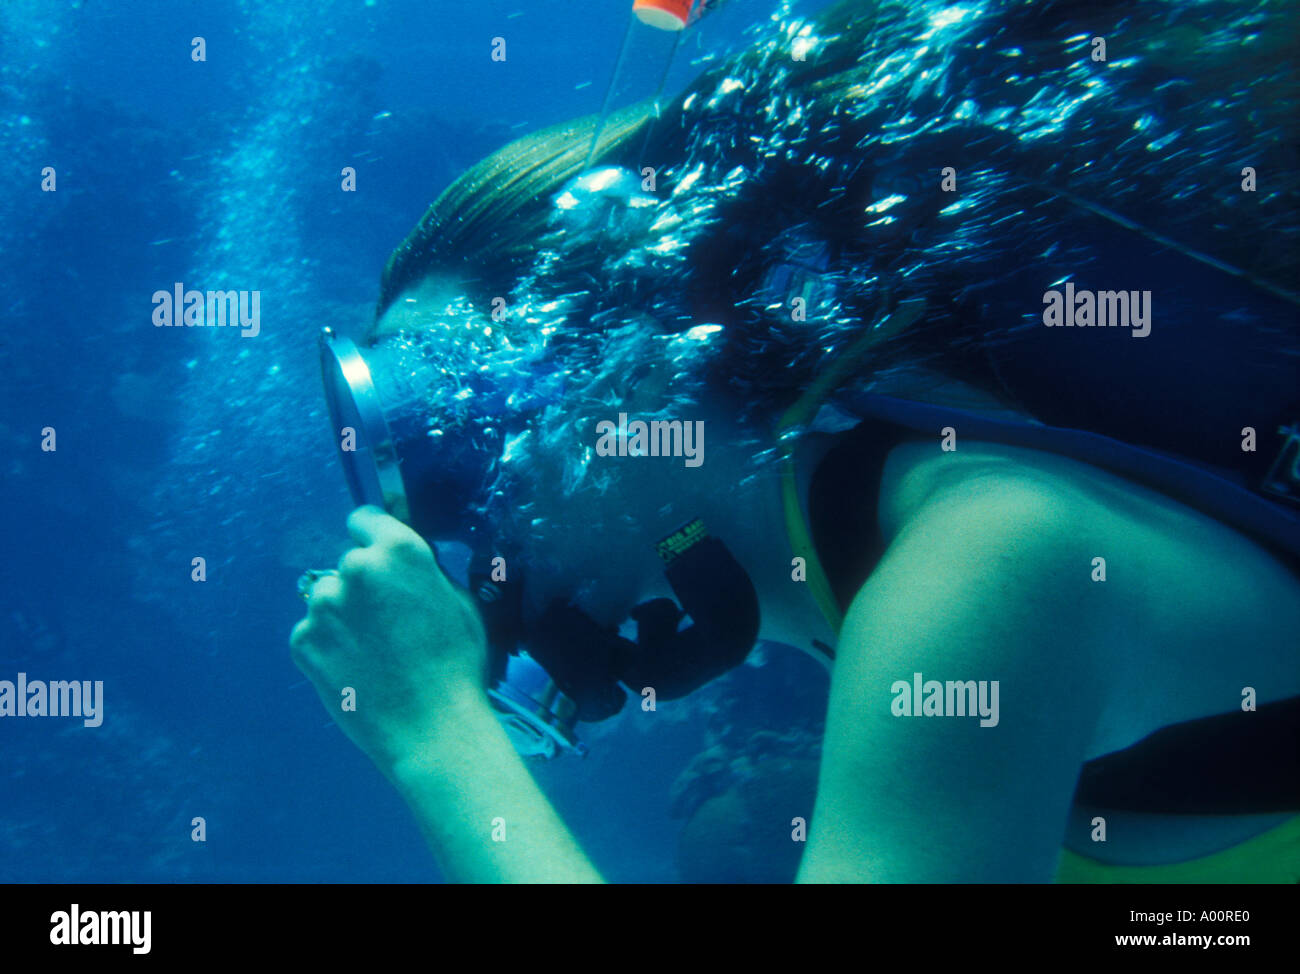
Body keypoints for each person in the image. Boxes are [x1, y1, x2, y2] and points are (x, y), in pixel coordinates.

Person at [290, 0, 1300, 882]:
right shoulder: (877, 565)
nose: (455, 540)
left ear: (628, 368)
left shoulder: (981, 566)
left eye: (454, 451)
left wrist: (437, 733)